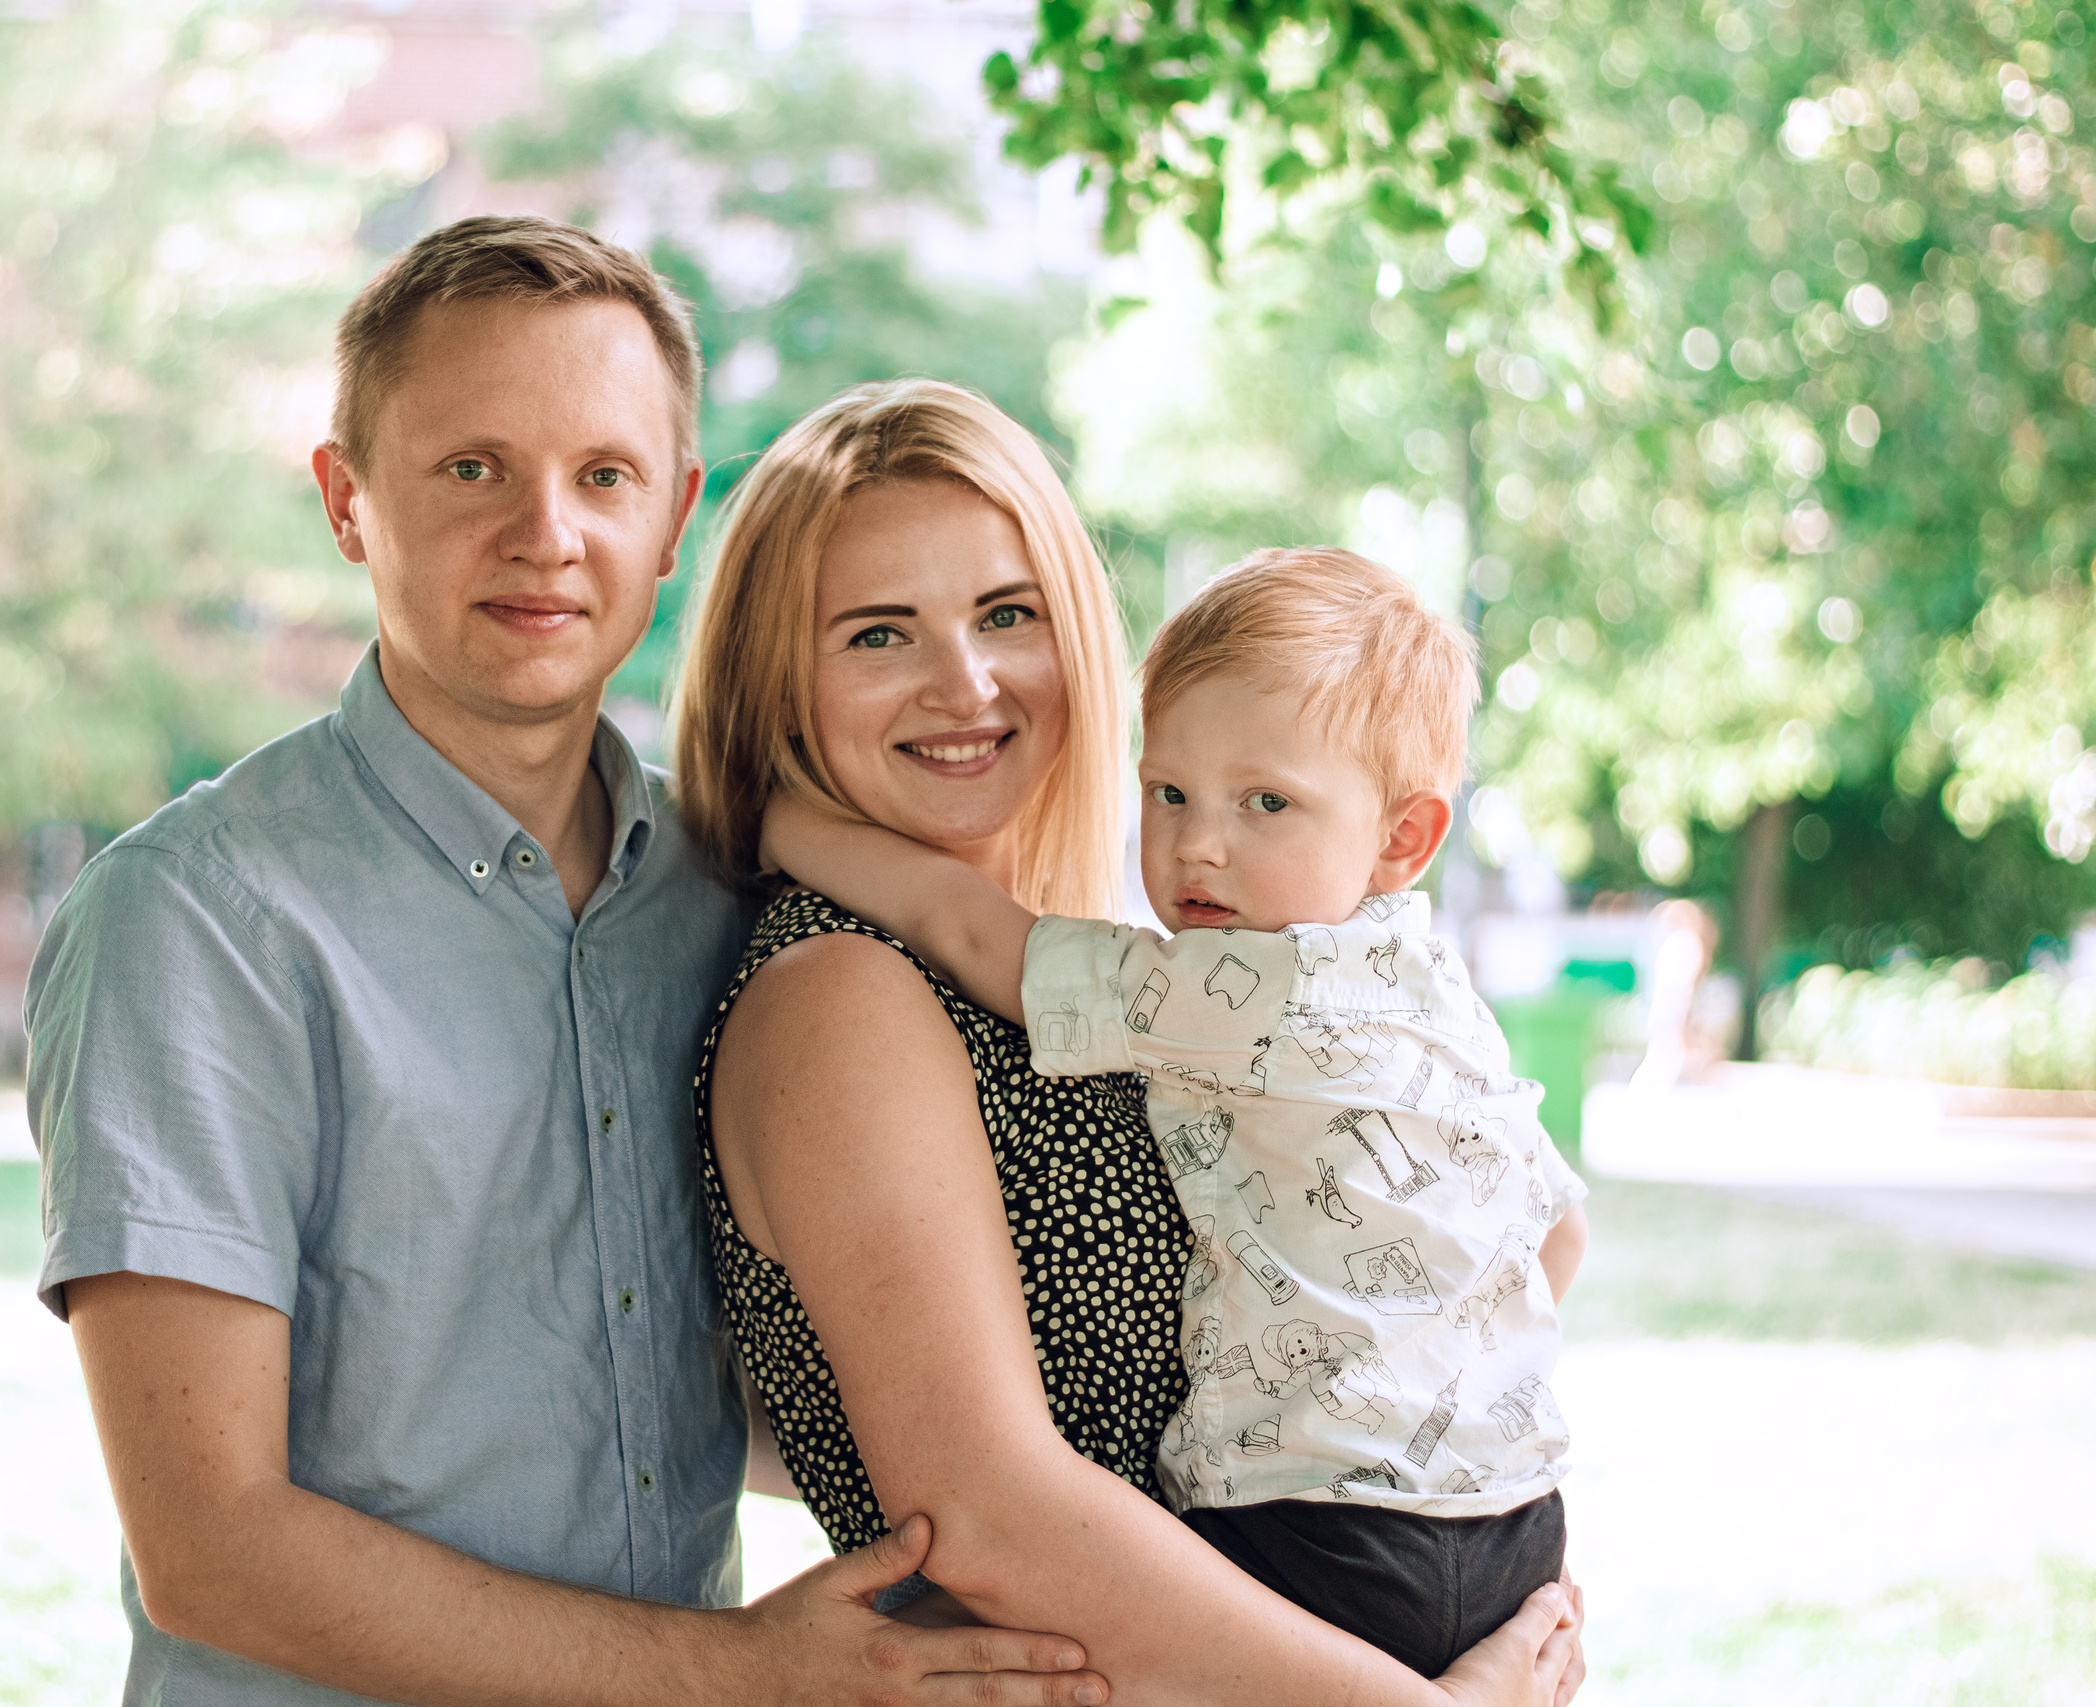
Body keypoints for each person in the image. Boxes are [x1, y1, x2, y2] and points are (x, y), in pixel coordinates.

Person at [23, 218, 1111, 1707]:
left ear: (673, 520)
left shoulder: (723, 910)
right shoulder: (196, 922)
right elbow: (211, 1543)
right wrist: (737, 1675)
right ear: (348, 501)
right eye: (472, 469)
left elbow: (743, 1394)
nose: (547, 533)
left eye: (603, 476)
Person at [678, 381, 1585, 1703]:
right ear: (782, 683)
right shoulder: (844, 993)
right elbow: (985, 1518)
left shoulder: (1177, 972)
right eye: (880, 634)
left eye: (1006, 614)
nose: (967, 681)